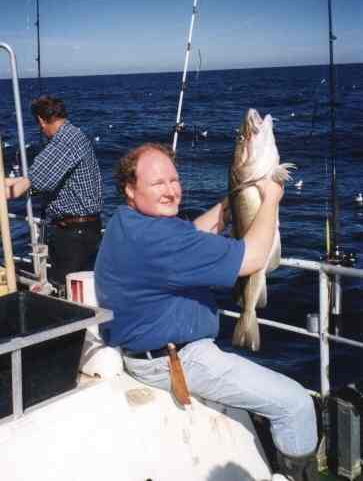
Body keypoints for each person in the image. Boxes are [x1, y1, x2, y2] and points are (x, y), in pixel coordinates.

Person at [95, 142, 318, 481]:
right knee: (296, 404)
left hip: (147, 349)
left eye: (174, 180)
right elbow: (254, 257)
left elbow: (189, 235)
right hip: (174, 360)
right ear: (130, 188)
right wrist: (270, 197)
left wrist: (227, 206)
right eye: (158, 184)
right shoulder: (161, 241)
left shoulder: (126, 221)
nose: (171, 191)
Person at [6, 95, 103, 285]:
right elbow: (33, 179)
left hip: (74, 235)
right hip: (85, 230)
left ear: (41, 120)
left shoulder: (63, 142)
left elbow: (26, 184)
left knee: (67, 291)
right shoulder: (74, 135)